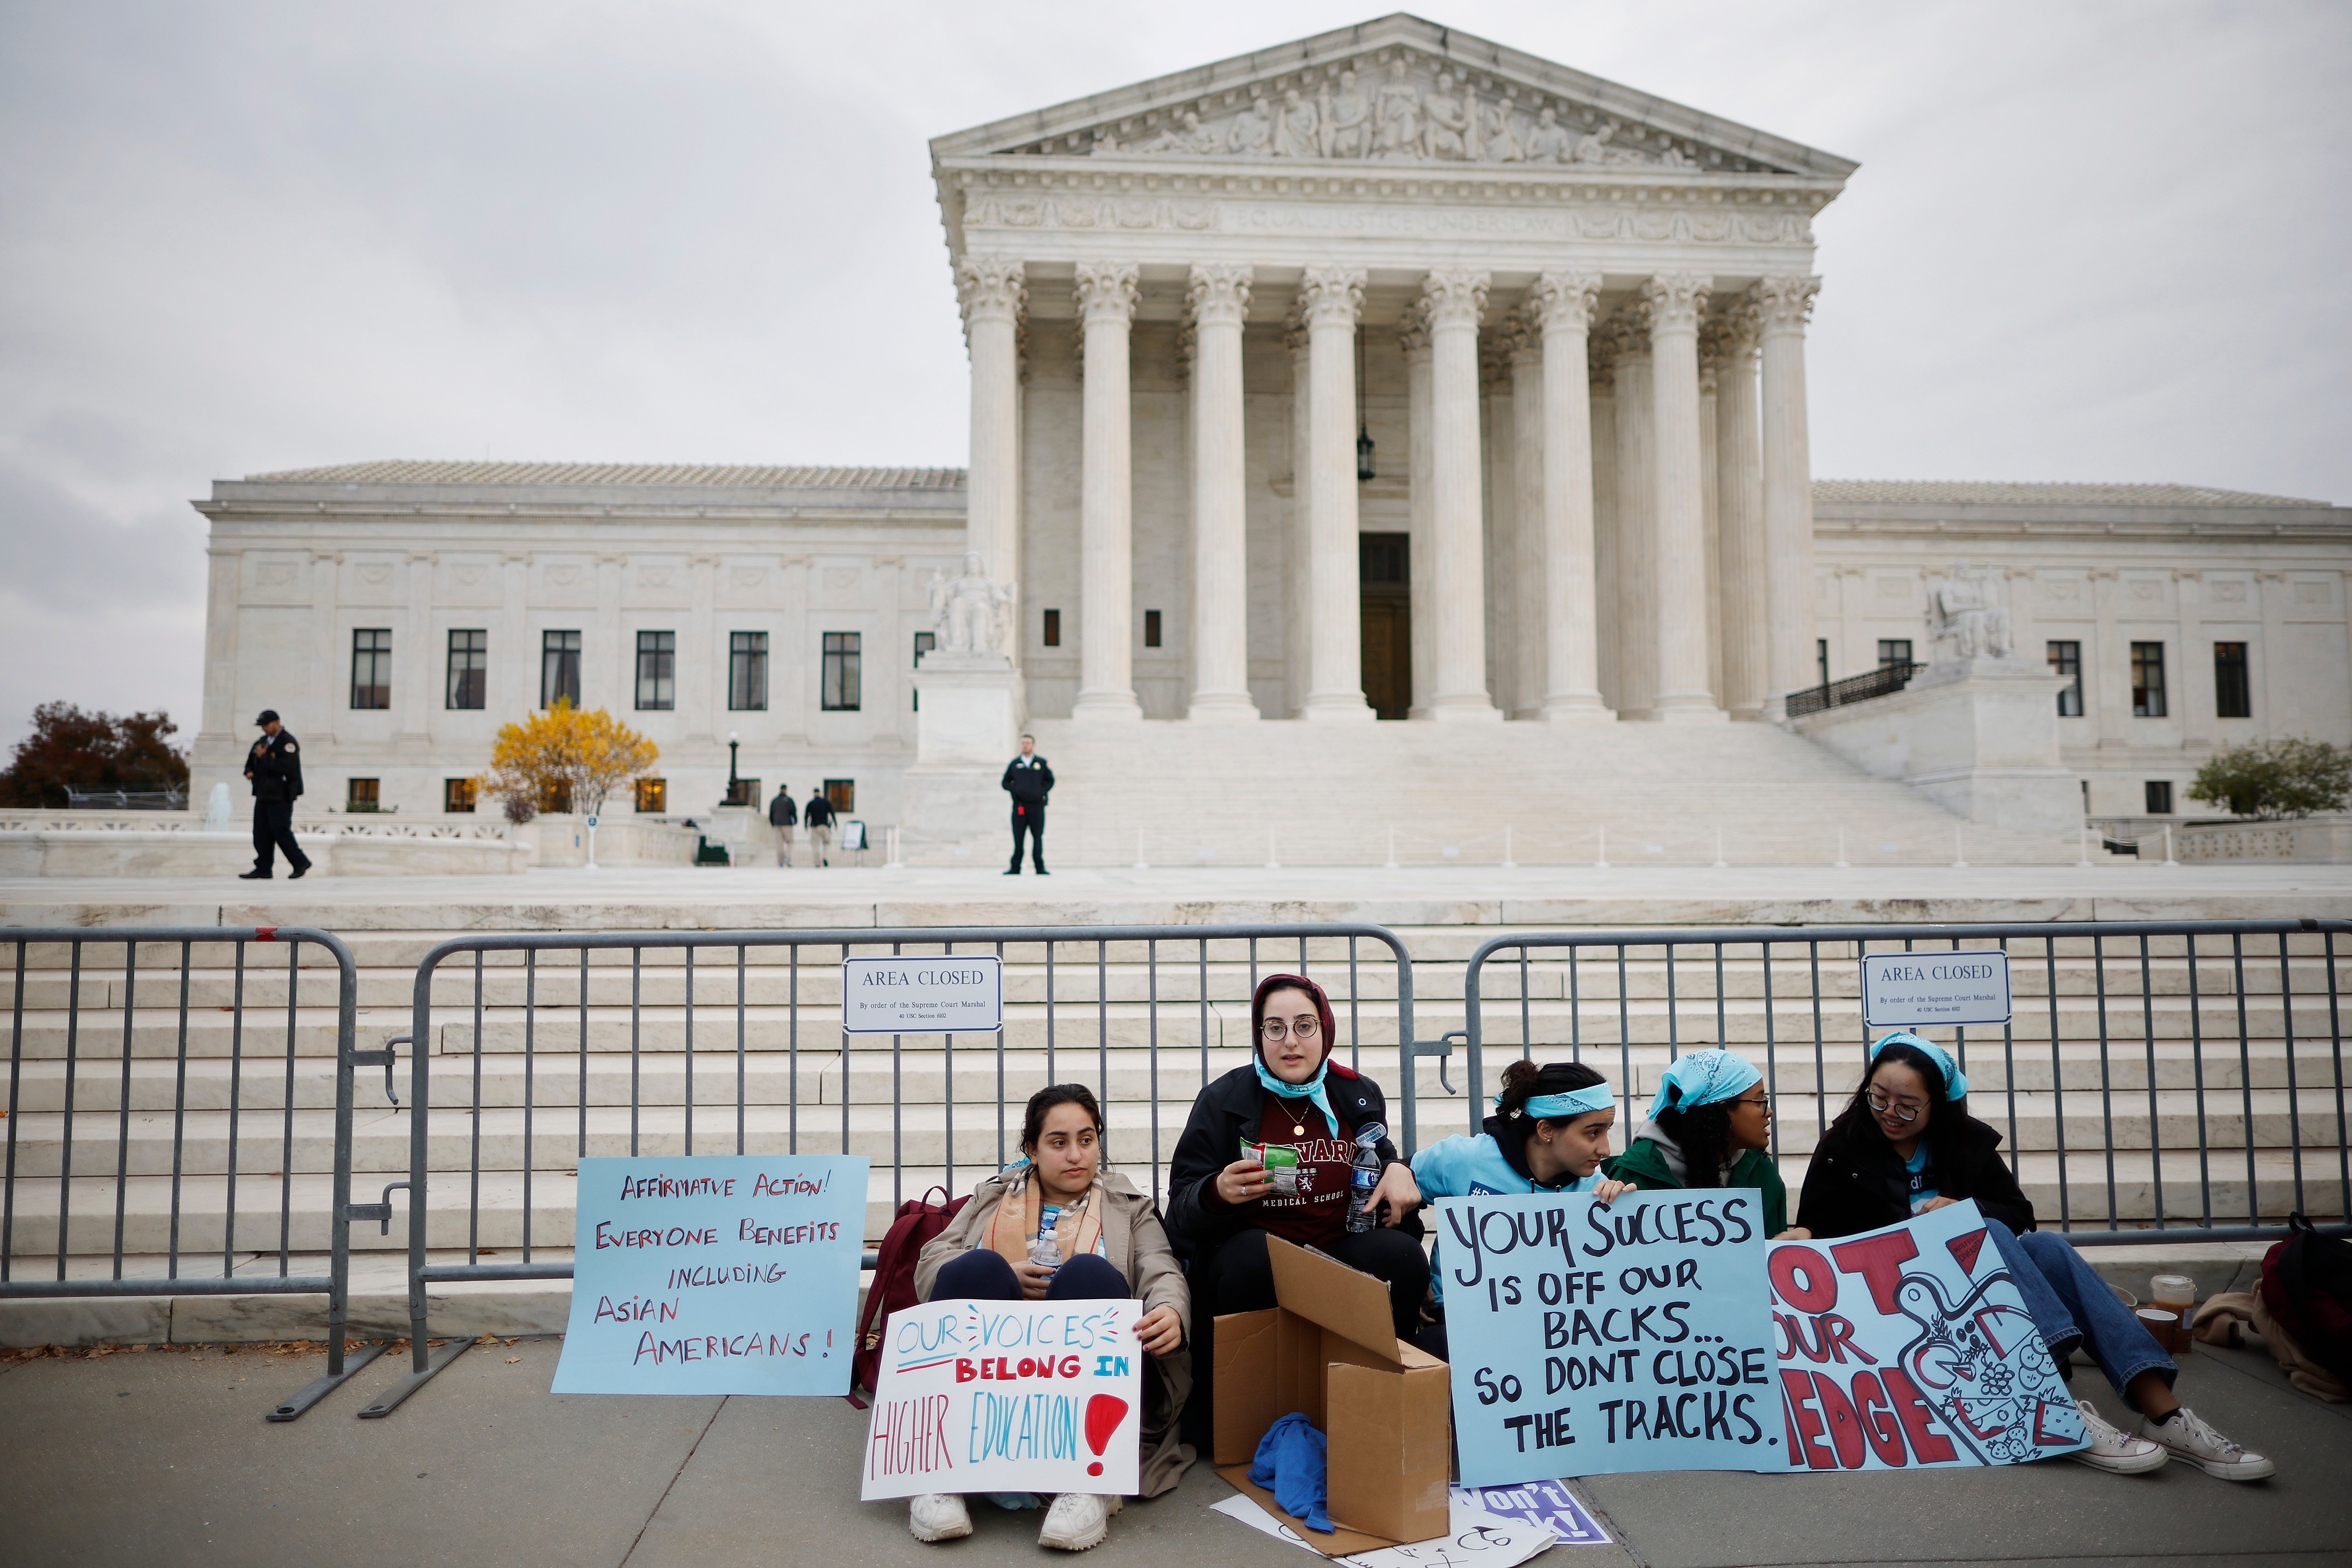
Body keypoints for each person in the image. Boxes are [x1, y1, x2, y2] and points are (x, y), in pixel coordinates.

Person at [1798, 1031, 2275, 1481]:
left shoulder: (1964, 1142)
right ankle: (2054, 1407)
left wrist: (1966, 1209)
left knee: (2041, 1244)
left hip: (1972, 1294)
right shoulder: (1843, 1146)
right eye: (1879, 1097)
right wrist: (1803, 1232)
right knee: (1985, 1229)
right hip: (1900, 1302)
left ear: (1937, 1104)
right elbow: (1822, 1233)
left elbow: (2018, 1213)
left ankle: (2165, 1414)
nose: (1889, 1112)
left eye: (1907, 1104)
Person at [910, 1084, 1191, 1552]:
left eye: (1087, 1139)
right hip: (999, 1377)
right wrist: (1005, 1272)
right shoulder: (993, 1197)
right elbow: (932, 1265)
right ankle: (944, 1471)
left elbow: (1160, 1267)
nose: (1076, 1154)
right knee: (977, 1267)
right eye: (1059, 1142)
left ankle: (1088, 1480)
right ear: (1032, 1150)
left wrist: (1170, 1310)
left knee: (1088, 1273)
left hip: (1086, 1386)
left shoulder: (1128, 1206)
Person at [1164, 974, 1426, 1443]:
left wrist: (1401, 1169)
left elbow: (1379, 1156)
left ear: (1325, 1031)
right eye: (1275, 1027)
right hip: (1258, 1261)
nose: (1290, 1041)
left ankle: (1378, 1405)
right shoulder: (1225, 1100)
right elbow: (1182, 1204)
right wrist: (1217, 1190)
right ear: (1259, 1035)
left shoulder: (1355, 1093)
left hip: (1340, 1248)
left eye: (1304, 1025)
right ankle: (1246, 1411)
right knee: (1253, 1256)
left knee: (1401, 1257)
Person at [1401, 1059, 1633, 1358]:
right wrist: (1418, 1280)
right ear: (1546, 1129)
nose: (1605, 1149)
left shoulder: (1597, 1191)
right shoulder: (1468, 1158)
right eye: (1592, 1133)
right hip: (1459, 1319)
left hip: (1551, 1331)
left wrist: (1625, 1216)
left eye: (1607, 1131)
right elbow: (1399, 1188)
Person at [1607, 1047, 1807, 1240]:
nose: (1769, 1112)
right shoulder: (1637, 1175)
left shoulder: (1760, 1170)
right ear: (1722, 1112)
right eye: (1759, 1102)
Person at [238, 709, 310, 880]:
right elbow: (251, 761)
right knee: (261, 832)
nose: (264, 729)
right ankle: (263, 868)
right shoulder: (262, 742)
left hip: (282, 794)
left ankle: (300, 863)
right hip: (264, 793)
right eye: (262, 726)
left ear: (277, 723)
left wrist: (264, 759)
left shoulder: (288, 742)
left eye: (266, 725)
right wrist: (249, 771)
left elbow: (286, 767)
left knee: (280, 830)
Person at [1002, 734, 1051, 876]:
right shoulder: (1015, 764)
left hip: (1037, 807)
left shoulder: (1041, 763)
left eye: (1028, 743)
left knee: (1037, 837)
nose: (1025, 745)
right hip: (1020, 807)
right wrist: (1015, 789)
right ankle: (1015, 867)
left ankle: (1040, 867)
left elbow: (1050, 780)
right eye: (1023, 743)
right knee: (1019, 838)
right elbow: (1005, 782)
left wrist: (1041, 791)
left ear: (1033, 745)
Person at [766, 783, 796, 867]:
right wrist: (794, 821)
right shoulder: (789, 800)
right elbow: (793, 812)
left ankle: (780, 862)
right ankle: (788, 857)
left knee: (779, 844)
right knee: (790, 842)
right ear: (786, 790)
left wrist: (773, 823)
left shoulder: (775, 801)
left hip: (777, 824)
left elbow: (771, 814)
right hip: (787, 824)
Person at [803, 789, 834, 865]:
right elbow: (832, 813)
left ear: (814, 793)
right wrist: (835, 824)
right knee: (826, 844)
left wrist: (806, 826)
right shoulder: (826, 802)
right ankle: (826, 857)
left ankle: (817, 862)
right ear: (820, 793)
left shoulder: (811, 803)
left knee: (815, 845)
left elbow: (807, 815)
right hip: (825, 826)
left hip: (815, 827)